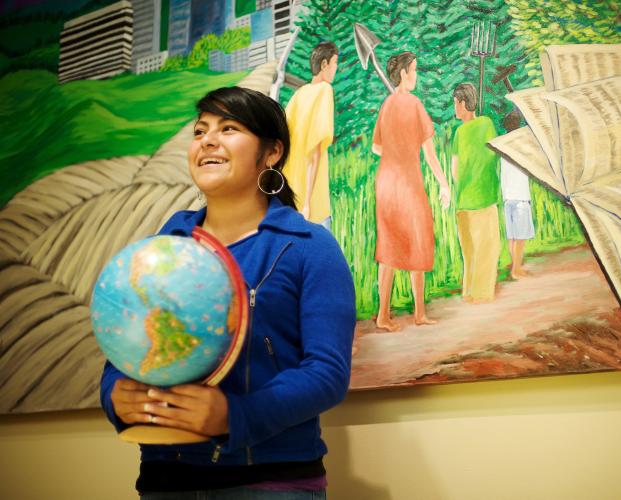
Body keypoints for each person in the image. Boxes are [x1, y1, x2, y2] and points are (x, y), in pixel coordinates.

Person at [100, 87, 356, 499]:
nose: (207, 140)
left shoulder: (309, 246)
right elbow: (125, 346)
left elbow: (326, 373)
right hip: (165, 480)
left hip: (271, 483)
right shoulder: (166, 245)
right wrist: (115, 395)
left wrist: (234, 416)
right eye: (200, 131)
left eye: (229, 128)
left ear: (271, 153)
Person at [371, 51, 451, 332]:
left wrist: (396, 147)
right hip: (407, 182)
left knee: (389, 246)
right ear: (404, 73)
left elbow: (376, 148)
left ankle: (383, 315)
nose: (416, 75)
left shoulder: (387, 105)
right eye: (414, 70)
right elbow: (429, 153)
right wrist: (443, 182)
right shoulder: (414, 104)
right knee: (419, 239)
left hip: (386, 182)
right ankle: (418, 313)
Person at [450, 83, 501, 302]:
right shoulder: (487, 124)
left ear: (462, 103)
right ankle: (481, 294)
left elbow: (454, 171)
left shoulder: (459, 133)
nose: (454, 108)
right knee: (486, 249)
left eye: (455, 103)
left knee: (469, 252)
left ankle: (469, 292)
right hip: (484, 198)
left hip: (463, 201)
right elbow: (495, 154)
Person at [284, 41, 338, 230]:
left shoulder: (299, 94)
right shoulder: (324, 90)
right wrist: (307, 202)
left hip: (292, 200)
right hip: (314, 205)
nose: (335, 69)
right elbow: (314, 151)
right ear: (324, 65)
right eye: (335, 63)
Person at [500, 110, 535, 279]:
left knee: (512, 236)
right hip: (520, 197)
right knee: (520, 237)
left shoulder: (503, 148)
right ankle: (516, 269)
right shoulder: (521, 147)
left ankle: (515, 267)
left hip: (508, 198)